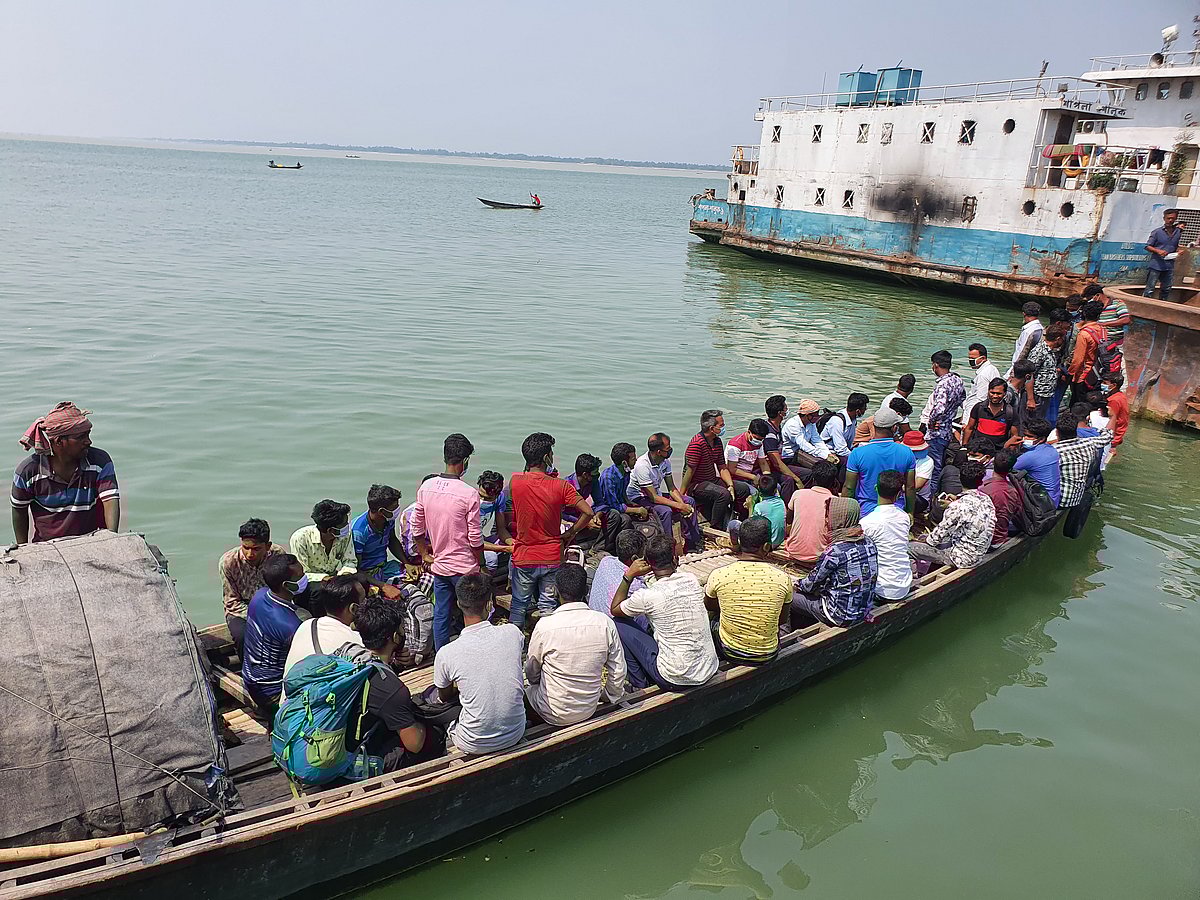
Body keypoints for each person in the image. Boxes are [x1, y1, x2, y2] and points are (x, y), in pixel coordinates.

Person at [609, 533, 719, 690]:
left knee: (618, 623)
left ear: (647, 564)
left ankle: (640, 683)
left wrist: (629, 576)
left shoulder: (647, 596)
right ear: (675, 560)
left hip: (673, 678)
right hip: (708, 669)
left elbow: (614, 609)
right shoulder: (691, 580)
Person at [508, 433, 594, 629]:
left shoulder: (515, 482)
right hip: (551, 556)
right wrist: (571, 532)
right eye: (552, 454)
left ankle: (516, 645)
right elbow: (588, 512)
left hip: (524, 557)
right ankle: (548, 643)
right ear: (546, 457)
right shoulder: (561, 485)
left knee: (519, 606)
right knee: (548, 607)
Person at [433, 573, 526, 755]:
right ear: (489, 603)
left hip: (472, 742)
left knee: (432, 697)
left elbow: (443, 696)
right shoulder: (513, 633)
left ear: (459, 604)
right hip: (515, 732)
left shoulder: (446, 653)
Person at [348, 594, 441, 771]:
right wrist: (423, 722)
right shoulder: (390, 688)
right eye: (402, 629)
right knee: (432, 739)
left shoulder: (348, 653)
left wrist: (394, 664)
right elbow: (415, 744)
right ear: (394, 637)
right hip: (352, 762)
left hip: (338, 741)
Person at [525, 564, 626, 726]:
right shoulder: (604, 622)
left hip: (552, 712)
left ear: (556, 591)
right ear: (586, 591)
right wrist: (607, 696)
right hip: (588, 708)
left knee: (526, 694)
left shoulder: (545, 626)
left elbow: (532, 672)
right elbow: (618, 670)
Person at [411, 433, 485, 652]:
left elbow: (417, 527)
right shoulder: (469, 493)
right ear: (465, 461)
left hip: (441, 566)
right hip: (465, 568)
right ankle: (472, 654)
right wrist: (481, 563)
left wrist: (425, 554)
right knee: (472, 614)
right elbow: (475, 537)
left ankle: (442, 657)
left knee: (441, 613)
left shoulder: (426, 487)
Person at [12, 402, 120, 543]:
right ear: (59, 442)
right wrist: (22, 548)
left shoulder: (99, 461)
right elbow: (19, 510)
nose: (88, 442)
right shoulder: (28, 471)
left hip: (91, 541)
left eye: (88, 435)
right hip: (48, 545)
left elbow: (110, 499)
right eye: (81, 437)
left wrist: (112, 539)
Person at [704, 517, 794, 665]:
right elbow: (782, 620)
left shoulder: (719, 574)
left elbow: (709, 606)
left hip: (730, 652)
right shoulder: (783, 578)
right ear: (766, 546)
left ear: (740, 542)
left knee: (713, 617)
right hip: (768, 654)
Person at [791, 505, 878, 627]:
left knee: (788, 596)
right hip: (863, 611)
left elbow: (808, 585)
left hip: (839, 615)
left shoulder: (835, 551)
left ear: (839, 520)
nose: (826, 521)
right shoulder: (869, 542)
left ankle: (785, 634)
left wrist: (794, 584)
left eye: (828, 517)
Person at [241, 553, 305, 719]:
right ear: (286, 585)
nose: (305, 578)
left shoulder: (260, 595)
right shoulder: (290, 625)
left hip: (250, 676)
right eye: (301, 576)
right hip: (271, 691)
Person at [281, 574, 363, 700]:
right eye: (364, 600)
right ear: (353, 608)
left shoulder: (307, 625)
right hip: (320, 717)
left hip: (288, 709)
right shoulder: (356, 641)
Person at [909, 460, 996, 570]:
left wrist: (920, 540)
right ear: (980, 481)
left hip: (960, 559)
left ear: (959, 478)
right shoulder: (986, 499)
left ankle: (914, 580)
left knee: (908, 548)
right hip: (978, 554)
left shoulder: (957, 506)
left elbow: (934, 539)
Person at [219, 518, 287, 655]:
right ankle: (248, 673)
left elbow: (283, 589)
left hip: (272, 604)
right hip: (240, 609)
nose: (250, 554)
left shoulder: (278, 555)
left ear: (267, 546)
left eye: (256, 549)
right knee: (242, 637)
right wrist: (259, 618)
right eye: (246, 548)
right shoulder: (228, 562)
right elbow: (232, 602)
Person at [627, 433, 700, 553]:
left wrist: (683, 505)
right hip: (639, 497)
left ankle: (692, 543)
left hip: (656, 494)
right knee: (665, 511)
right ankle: (668, 547)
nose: (670, 450)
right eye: (668, 449)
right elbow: (654, 498)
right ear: (659, 452)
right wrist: (679, 506)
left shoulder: (665, 462)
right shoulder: (642, 466)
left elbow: (671, 488)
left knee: (689, 501)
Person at [681, 409, 750, 531]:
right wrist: (682, 495)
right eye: (721, 425)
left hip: (711, 480)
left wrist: (730, 485)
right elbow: (689, 471)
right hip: (697, 484)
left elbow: (722, 466)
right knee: (723, 494)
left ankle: (740, 520)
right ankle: (715, 527)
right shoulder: (697, 444)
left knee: (743, 488)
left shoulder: (717, 441)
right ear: (712, 428)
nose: (723, 427)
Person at [844, 405, 916, 516]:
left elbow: (849, 488)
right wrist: (910, 512)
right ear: (894, 428)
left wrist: (846, 515)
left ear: (873, 426)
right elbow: (910, 487)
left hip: (866, 511)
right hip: (896, 510)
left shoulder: (857, 453)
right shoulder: (907, 452)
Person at [783, 460, 859, 564]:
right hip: (820, 557)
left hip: (794, 551)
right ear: (834, 482)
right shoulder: (836, 503)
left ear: (813, 479)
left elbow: (789, 520)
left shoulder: (798, 494)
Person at [859, 470, 913, 603]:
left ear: (876, 488)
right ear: (899, 493)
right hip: (904, 586)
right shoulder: (904, 517)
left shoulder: (867, 522)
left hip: (882, 590)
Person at [919, 350, 967, 498]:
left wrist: (932, 422)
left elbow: (939, 408)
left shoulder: (942, 385)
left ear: (935, 365)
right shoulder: (957, 381)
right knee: (940, 463)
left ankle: (930, 498)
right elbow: (964, 401)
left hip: (936, 433)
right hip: (948, 430)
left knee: (934, 466)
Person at [587, 529, 649, 628]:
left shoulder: (606, 561)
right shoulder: (636, 587)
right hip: (617, 633)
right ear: (634, 559)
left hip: (595, 622)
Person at [351, 484, 409, 590]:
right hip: (366, 575)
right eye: (394, 508)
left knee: (420, 576)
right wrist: (383, 586)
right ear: (382, 511)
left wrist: (407, 563)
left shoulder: (388, 519)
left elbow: (392, 540)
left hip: (384, 567)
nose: (397, 510)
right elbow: (356, 569)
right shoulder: (359, 532)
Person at [289, 500, 357, 583]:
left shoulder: (346, 535)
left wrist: (345, 573)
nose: (347, 526)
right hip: (313, 582)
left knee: (360, 580)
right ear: (331, 530)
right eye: (344, 525)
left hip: (336, 578)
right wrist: (325, 578)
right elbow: (302, 574)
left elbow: (350, 561)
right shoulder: (300, 539)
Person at [1053, 418, 1112, 510]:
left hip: (1060, 500)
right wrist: (1100, 429)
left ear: (1057, 432)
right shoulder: (1089, 443)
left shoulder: (1055, 450)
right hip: (1076, 498)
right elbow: (1108, 436)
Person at [596, 442, 652, 533]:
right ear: (624, 463)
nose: (636, 460)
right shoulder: (608, 477)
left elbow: (623, 493)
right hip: (606, 509)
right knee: (626, 519)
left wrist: (631, 503)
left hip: (619, 504)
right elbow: (613, 505)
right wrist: (636, 510)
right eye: (633, 459)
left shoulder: (626, 473)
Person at [781, 398, 839, 483]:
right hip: (790, 458)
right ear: (808, 415)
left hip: (803, 454)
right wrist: (824, 456)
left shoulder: (811, 424)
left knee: (830, 466)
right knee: (819, 470)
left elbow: (817, 441)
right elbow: (804, 445)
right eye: (815, 415)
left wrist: (828, 454)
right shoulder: (792, 425)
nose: (818, 417)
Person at [962, 378, 1019, 455]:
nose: (995, 396)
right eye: (992, 392)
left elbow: (1014, 436)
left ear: (1005, 393)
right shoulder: (978, 408)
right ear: (988, 391)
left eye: (999, 393)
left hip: (998, 452)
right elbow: (969, 428)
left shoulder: (1011, 412)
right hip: (977, 451)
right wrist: (964, 447)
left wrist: (1009, 453)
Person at [1013, 418, 1062, 507]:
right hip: (1053, 499)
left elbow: (1002, 468)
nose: (1025, 439)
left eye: (1030, 436)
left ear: (1042, 439)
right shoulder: (1051, 449)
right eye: (1024, 435)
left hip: (1041, 504)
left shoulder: (1030, 456)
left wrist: (1007, 447)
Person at [1068, 299, 1108, 405]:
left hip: (1083, 376)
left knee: (1077, 407)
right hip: (1097, 375)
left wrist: (1069, 374)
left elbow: (1078, 360)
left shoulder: (1084, 334)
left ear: (1084, 314)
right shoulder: (1103, 330)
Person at [1026, 323, 1068, 422]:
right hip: (1037, 394)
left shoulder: (1051, 351)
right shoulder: (1040, 351)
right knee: (1033, 421)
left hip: (1045, 394)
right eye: (1063, 338)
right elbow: (1029, 375)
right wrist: (1030, 399)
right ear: (1058, 339)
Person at [979, 448, 1022, 547]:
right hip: (1000, 538)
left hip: (984, 540)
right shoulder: (1014, 491)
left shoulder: (982, 488)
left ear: (993, 462)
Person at [761, 395, 798, 502]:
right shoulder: (770, 433)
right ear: (779, 413)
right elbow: (776, 462)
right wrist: (797, 479)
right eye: (785, 407)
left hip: (780, 461)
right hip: (769, 468)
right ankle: (786, 507)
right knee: (789, 480)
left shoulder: (777, 427)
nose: (787, 409)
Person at [477, 471, 513, 571]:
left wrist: (513, 543)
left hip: (480, 538)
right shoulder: (469, 499)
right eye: (480, 495)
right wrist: (505, 549)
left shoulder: (499, 498)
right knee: (492, 558)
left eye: (488, 498)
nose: (482, 500)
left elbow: (501, 529)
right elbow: (471, 541)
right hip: (468, 541)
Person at [1144, 208, 1183, 300]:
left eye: (1173, 218)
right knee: (1150, 288)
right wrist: (1158, 251)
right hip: (1156, 264)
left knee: (1166, 288)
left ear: (1176, 219)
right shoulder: (1157, 232)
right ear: (1164, 218)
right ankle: (1145, 305)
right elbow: (1147, 246)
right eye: (1168, 218)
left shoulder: (1177, 232)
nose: (1170, 220)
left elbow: (1175, 246)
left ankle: (1162, 304)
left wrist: (1179, 251)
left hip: (1169, 265)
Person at [820, 393, 869, 462]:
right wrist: (857, 458)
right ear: (858, 411)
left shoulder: (853, 420)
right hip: (830, 452)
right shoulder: (837, 421)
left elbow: (849, 445)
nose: (865, 410)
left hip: (843, 450)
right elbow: (841, 450)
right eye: (864, 408)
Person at [724, 419, 771, 487]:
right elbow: (732, 469)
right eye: (756, 438)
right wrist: (753, 477)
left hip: (751, 473)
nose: (758, 441)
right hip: (736, 477)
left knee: (775, 486)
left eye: (761, 439)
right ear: (749, 432)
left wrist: (768, 478)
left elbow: (763, 463)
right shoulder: (735, 444)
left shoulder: (759, 443)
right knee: (754, 492)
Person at [1086, 282, 1131, 353]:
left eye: (1090, 298)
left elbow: (1126, 320)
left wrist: (1104, 324)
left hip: (1115, 343)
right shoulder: (1095, 307)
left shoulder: (1117, 304)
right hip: (1099, 342)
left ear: (1098, 295)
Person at [1006, 302, 1044, 377]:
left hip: (1020, 369)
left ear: (1024, 314)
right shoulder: (1041, 328)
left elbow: (1022, 352)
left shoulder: (1028, 331)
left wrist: (1012, 372)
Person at [902, 430, 934, 516]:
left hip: (919, 498)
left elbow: (916, 485)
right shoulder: (900, 457)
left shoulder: (927, 461)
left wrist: (893, 488)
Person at [965, 343, 1002, 415]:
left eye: (973, 359)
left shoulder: (983, 375)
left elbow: (981, 399)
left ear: (983, 358)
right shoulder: (992, 368)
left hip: (975, 412)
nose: (970, 361)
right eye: (969, 358)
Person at [752, 474, 787, 548]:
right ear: (775, 490)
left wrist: (750, 506)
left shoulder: (759, 507)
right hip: (779, 541)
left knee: (733, 524)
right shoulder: (781, 502)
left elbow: (751, 527)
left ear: (758, 489)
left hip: (767, 546)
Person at [1100, 372, 1130, 455]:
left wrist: (1113, 442)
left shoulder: (1114, 400)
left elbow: (1113, 420)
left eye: (1105, 383)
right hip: (1117, 435)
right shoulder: (1120, 396)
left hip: (1113, 437)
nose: (1102, 384)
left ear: (1113, 385)